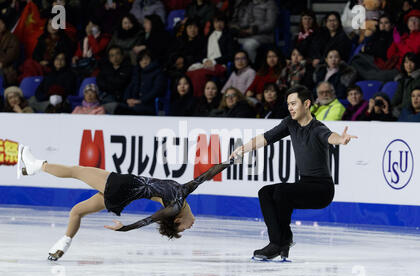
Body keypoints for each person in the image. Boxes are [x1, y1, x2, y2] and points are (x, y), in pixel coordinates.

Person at [17, 145, 233, 261]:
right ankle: (62, 246)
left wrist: (124, 229)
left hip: (123, 185)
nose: (189, 227)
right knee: (77, 211)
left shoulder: (175, 205)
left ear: (177, 219)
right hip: (121, 197)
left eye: (183, 228)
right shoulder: (182, 194)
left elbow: (148, 220)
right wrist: (232, 159)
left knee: (75, 171)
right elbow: (208, 173)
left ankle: (36, 165)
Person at [229, 85, 357, 260]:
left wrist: (341, 139)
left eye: (294, 103)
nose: (290, 108)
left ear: (306, 104)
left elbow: (329, 136)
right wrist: (242, 149)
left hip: (322, 190)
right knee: (265, 192)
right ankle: (282, 239)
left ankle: (278, 243)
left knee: (282, 193)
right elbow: (266, 137)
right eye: (288, 104)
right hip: (303, 184)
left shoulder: (317, 128)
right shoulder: (290, 123)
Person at [115, 49, 166, 115]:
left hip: (149, 103)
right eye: (141, 60)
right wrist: (127, 99)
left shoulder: (158, 73)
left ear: (151, 59)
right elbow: (130, 86)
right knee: (119, 108)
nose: (144, 62)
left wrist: (140, 101)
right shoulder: (137, 71)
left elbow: (156, 90)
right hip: (135, 102)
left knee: (133, 110)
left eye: (146, 59)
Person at [391, 52, 420, 118]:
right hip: (400, 110)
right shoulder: (402, 79)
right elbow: (397, 96)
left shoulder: (418, 79)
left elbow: (411, 100)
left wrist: (397, 108)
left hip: (411, 112)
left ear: (416, 63)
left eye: (411, 62)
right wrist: (390, 106)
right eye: (406, 62)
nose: (408, 65)